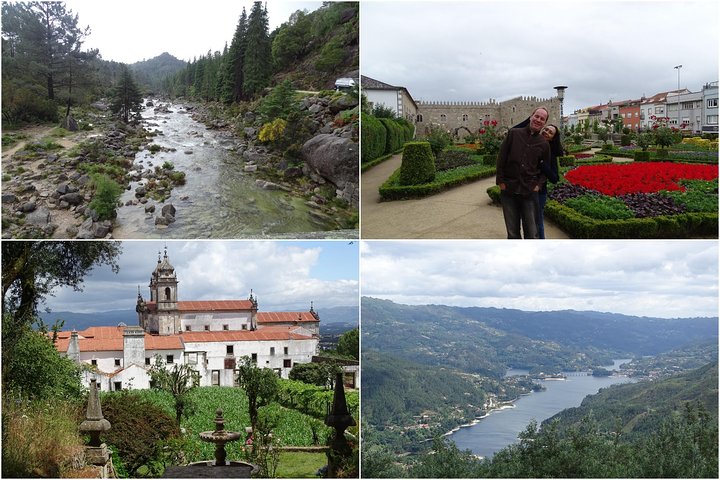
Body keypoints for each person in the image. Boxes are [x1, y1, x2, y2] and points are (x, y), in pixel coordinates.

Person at [496, 107, 550, 239]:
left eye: (542, 119)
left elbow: (545, 170)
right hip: (509, 190)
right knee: (512, 232)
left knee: (532, 233)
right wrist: (501, 181)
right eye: (536, 116)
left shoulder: (544, 144)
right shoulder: (514, 134)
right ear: (531, 116)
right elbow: (501, 158)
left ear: (544, 123)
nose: (538, 120)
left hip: (529, 192)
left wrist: (538, 185)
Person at [537, 124, 563, 238]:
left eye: (550, 132)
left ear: (552, 138)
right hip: (524, 189)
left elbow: (554, 178)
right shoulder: (532, 143)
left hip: (539, 192)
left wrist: (542, 164)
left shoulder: (550, 153)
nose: (546, 132)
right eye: (546, 129)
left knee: (538, 223)